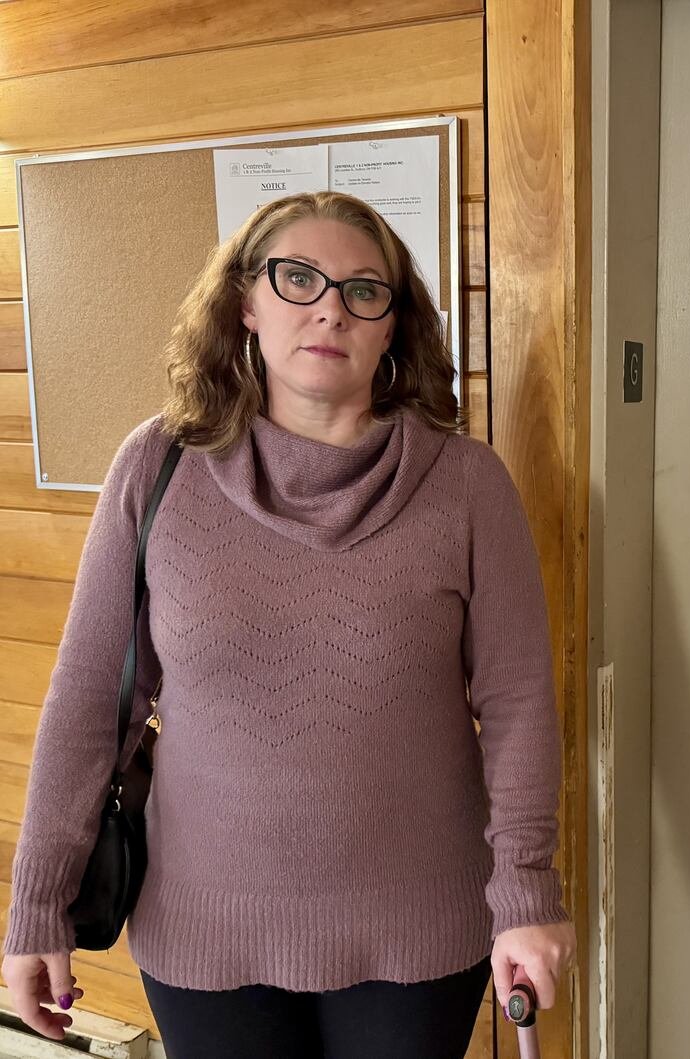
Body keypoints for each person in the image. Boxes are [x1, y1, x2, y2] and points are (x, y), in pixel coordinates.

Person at [0, 191, 575, 1058]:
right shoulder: (157, 468)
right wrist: (35, 902)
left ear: (393, 325)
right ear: (245, 302)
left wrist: (527, 894)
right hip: (206, 931)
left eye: (362, 290)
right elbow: (90, 700)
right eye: (297, 278)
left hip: (417, 930)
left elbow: (520, 703)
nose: (329, 308)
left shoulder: (467, 485)